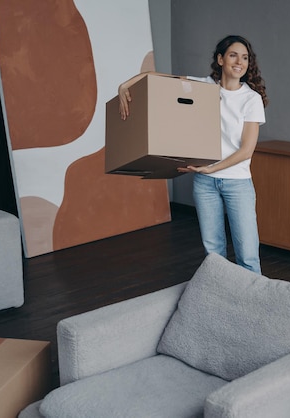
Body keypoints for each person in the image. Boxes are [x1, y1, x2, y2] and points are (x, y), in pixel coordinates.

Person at [118, 35, 268, 273]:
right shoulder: (204, 88)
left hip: (237, 183)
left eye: (245, 57)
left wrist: (212, 168)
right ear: (220, 59)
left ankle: (254, 306)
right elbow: (162, 80)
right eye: (233, 55)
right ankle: (219, 299)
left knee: (248, 256)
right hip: (205, 182)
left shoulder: (251, 99)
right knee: (213, 254)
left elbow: (246, 151)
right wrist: (125, 85)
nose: (239, 61)